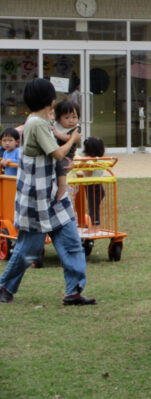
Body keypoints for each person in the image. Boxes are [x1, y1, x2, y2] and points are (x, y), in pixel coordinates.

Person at [0, 78, 95, 305]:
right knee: (28, 249)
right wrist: (74, 138)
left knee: (72, 242)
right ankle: (4, 287)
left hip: (53, 197)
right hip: (36, 199)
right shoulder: (36, 124)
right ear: (49, 100)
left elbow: (56, 159)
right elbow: (58, 154)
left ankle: (74, 291)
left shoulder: (43, 122)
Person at [52, 100, 80, 201]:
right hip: (57, 153)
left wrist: (56, 134)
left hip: (67, 155)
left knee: (61, 166)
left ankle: (62, 188)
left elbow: (69, 138)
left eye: (74, 117)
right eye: (67, 117)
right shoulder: (55, 125)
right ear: (59, 119)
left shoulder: (76, 129)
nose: (71, 121)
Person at [78, 137, 106, 227]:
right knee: (94, 206)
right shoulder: (98, 159)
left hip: (93, 187)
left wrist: (82, 164)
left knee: (93, 208)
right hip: (97, 186)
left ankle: (94, 224)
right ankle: (93, 222)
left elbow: (88, 173)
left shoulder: (91, 161)